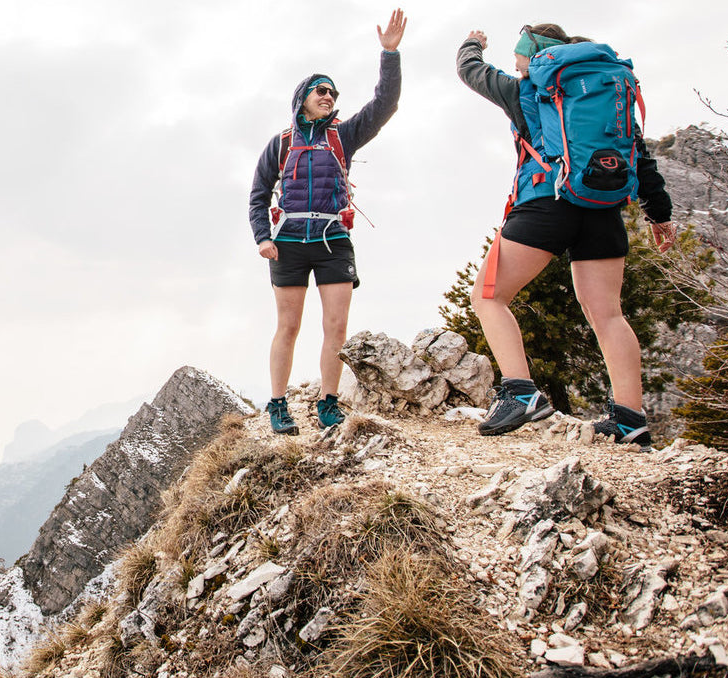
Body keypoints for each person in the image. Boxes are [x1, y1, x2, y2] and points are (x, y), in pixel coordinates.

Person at [457, 24, 677, 449]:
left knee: (488, 296)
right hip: (603, 210)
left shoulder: (524, 90)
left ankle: (520, 392)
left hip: (547, 205)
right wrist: (659, 215)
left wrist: (473, 44)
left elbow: (470, 71)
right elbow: (640, 158)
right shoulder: (607, 98)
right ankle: (631, 421)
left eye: (521, 54)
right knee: (608, 314)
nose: (518, 62)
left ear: (535, 55)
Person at [248, 9, 406, 435]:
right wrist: (263, 238)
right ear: (302, 98)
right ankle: (278, 404)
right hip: (289, 242)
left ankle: (329, 403)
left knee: (336, 325)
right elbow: (259, 194)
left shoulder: (345, 135)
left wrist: (388, 54)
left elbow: (385, 104)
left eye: (334, 92)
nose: (329, 96)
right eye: (321, 90)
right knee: (289, 325)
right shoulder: (280, 143)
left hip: (334, 237)